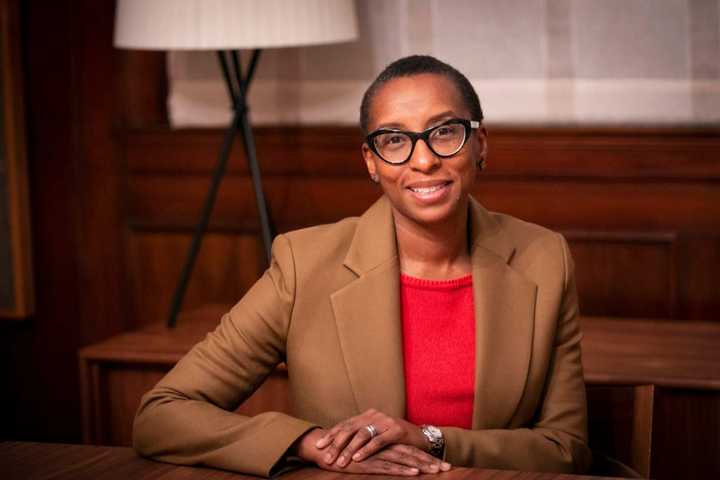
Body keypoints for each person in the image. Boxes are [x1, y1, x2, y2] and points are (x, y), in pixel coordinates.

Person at [133, 55, 592, 477]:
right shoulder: (304, 264)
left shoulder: (544, 259)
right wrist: (308, 443)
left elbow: (566, 448)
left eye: (445, 131)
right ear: (371, 162)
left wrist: (432, 440)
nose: (425, 159)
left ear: (480, 143)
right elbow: (163, 413)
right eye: (395, 140)